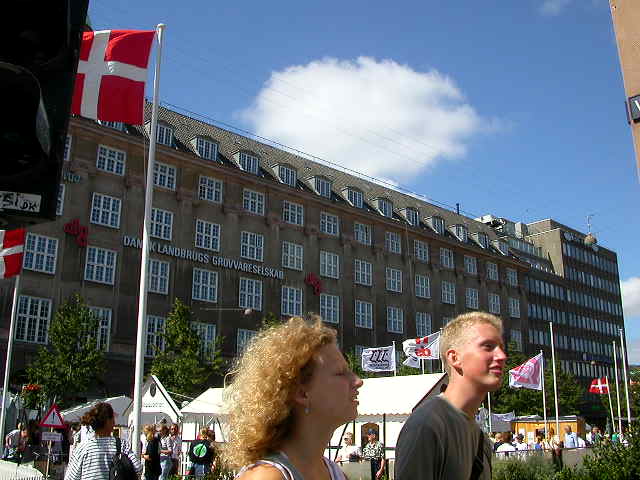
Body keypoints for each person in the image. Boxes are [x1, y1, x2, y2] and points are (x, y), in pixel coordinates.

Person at [220, 315, 362, 480]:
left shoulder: (335, 473)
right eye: (340, 372)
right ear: (301, 392)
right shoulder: (267, 476)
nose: (358, 381)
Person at [395, 312, 507, 480]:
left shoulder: (479, 437)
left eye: (501, 348)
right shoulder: (427, 426)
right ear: (455, 358)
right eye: (488, 346)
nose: (502, 356)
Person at [64, 402, 142, 480]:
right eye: (113, 418)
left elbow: (70, 477)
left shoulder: (83, 448)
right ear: (109, 421)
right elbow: (138, 468)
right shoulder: (121, 445)